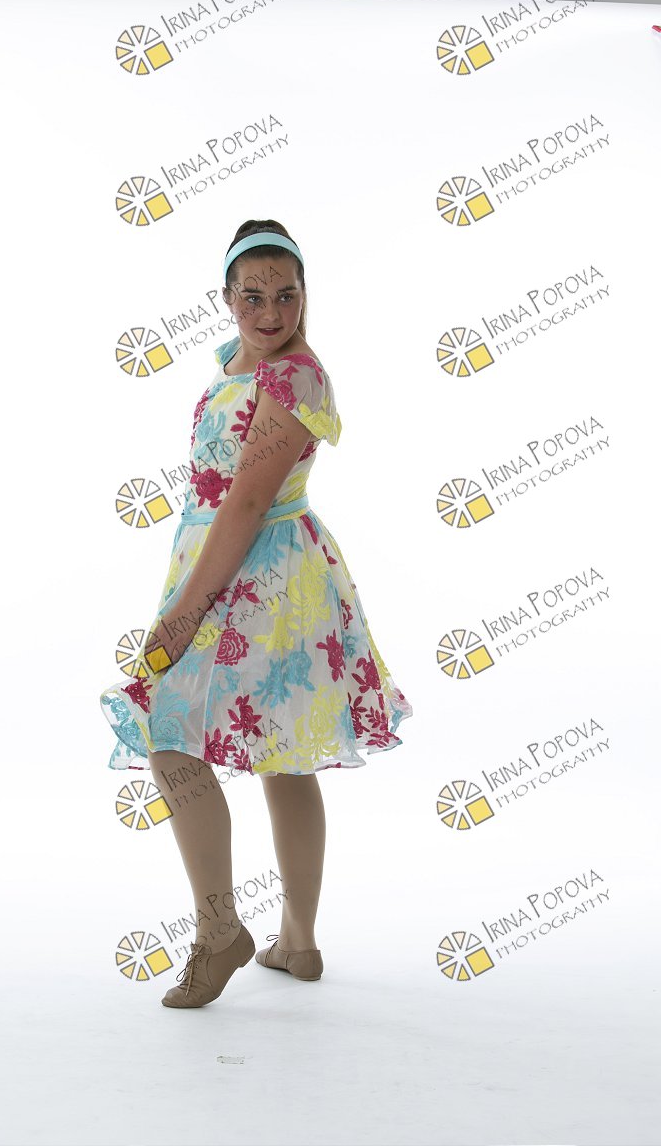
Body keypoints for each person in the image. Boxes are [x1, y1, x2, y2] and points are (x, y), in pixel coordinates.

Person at [100, 219, 413, 1008]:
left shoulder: (295, 377)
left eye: (286, 295)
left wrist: (182, 615)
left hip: (262, 577)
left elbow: (244, 504)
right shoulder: (237, 363)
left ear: (306, 294)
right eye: (253, 297)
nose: (271, 312)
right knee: (283, 755)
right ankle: (297, 943)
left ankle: (220, 933)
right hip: (237, 564)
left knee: (169, 733)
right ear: (227, 298)